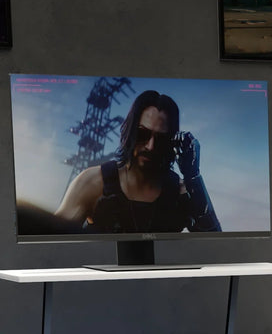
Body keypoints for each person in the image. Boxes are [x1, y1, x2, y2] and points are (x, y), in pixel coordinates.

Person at [54, 90, 220, 234]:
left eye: (161, 139)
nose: (150, 146)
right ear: (131, 130)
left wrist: (193, 177)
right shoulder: (93, 182)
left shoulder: (180, 192)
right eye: (142, 134)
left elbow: (215, 245)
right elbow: (53, 244)